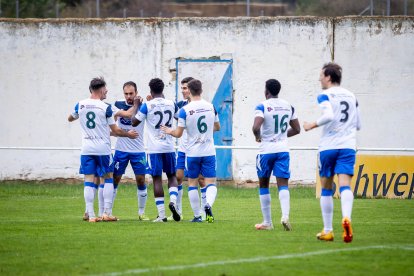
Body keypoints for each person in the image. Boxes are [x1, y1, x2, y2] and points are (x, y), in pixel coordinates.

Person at [303, 62, 361, 243]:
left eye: (321, 75)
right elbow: (358, 124)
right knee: (345, 186)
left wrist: (311, 125)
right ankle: (346, 218)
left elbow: (329, 116)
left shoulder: (325, 95)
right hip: (348, 146)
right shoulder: (352, 96)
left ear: (328, 77)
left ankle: (328, 230)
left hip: (329, 146)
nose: (319, 78)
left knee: (326, 188)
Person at [68, 77, 138, 222]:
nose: (107, 91)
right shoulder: (105, 107)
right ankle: (106, 213)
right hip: (102, 149)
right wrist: (128, 134)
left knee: (88, 180)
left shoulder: (80, 105)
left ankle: (91, 215)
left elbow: (70, 118)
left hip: (87, 149)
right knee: (107, 178)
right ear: (100, 90)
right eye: (105, 89)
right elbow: (116, 130)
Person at [161, 79, 220, 223]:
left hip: (193, 152)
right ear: (201, 90)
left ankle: (197, 216)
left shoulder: (184, 110)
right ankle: (207, 205)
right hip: (209, 151)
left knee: (192, 183)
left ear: (190, 91)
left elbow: (179, 134)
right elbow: (217, 127)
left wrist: (169, 131)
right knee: (210, 182)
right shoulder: (211, 106)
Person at [252, 79, 300, 231]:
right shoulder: (289, 106)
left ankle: (267, 222)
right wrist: (282, 136)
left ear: (266, 91)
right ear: (278, 91)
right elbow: (297, 129)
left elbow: (255, 127)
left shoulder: (262, 106)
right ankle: (285, 216)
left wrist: (258, 136)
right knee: (283, 185)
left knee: (264, 184)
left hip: (266, 150)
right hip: (283, 150)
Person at [131, 78, 180, 222]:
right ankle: (173, 202)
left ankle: (162, 215)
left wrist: (136, 105)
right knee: (171, 176)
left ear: (150, 90)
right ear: (163, 89)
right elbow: (179, 118)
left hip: (154, 148)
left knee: (157, 178)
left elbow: (134, 121)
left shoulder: (147, 105)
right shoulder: (172, 103)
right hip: (169, 146)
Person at [110, 81, 149, 221]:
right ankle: (108, 211)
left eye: (131, 93)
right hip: (121, 150)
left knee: (140, 180)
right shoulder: (118, 105)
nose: (128, 96)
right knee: (115, 179)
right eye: (126, 93)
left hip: (138, 150)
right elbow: (112, 125)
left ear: (136, 93)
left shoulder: (144, 106)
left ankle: (141, 212)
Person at [169, 77, 206, 221]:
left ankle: (203, 212)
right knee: (178, 177)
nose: (184, 91)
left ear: (191, 89)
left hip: (197, 149)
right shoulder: (179, 106)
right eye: (182, 88)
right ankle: (177, 211)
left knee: (201, 179)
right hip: (183, 148)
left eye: (185, 88)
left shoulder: (202, 105)